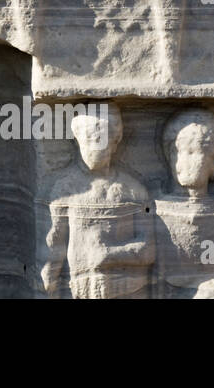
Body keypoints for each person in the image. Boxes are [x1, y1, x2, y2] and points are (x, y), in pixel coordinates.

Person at [41, 106, 155, 298]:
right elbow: (54, 244)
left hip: (127, 289)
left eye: (101, 140)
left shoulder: (133, 189)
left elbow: (148, 249)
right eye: (89, 139)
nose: (95, 147)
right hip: (80, 288)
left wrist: (110, 254)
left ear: (115, 141)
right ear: (77, 140)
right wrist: (48, 279)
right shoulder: (66, 189)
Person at [154, 109, 214, 298]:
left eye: (192, 152)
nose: (182, 161)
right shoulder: (158, 211)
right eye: (176, 152)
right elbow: (158, 283)